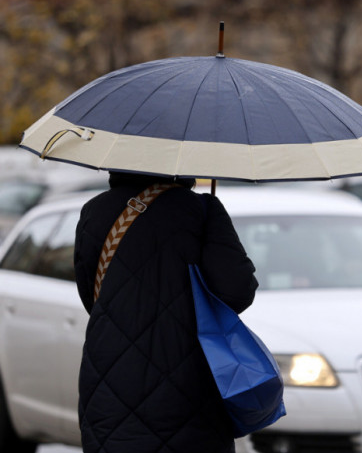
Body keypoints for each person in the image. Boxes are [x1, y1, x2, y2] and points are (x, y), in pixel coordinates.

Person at [73, 172, 257, 453]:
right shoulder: (201, 210)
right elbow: (237, 292)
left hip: (109, 378)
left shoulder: (95, 211)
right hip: (190, 384)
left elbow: (93, 298)